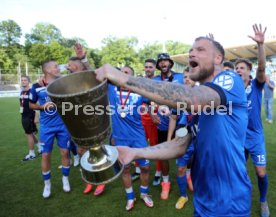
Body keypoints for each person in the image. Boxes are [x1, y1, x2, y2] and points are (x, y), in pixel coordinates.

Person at [95, 36, 252, 216]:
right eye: (191, 50)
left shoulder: (228, 78)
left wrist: (123, 79)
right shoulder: (199, 109)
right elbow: (179, 145)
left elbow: (193, 99)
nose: (192, 52)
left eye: (200, 49)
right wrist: (137, 153)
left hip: (230, 202)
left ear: (218, 58)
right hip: (203, 200)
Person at [235, 24, 270, 217]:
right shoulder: (232, 90)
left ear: (249, 71)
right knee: (239, 171)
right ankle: (241, 198)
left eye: (242, 68)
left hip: (255, 137)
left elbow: (262, 67)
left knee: (261, 173)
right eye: (237, 68)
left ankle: (263, 201)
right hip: (238, 138)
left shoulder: (256, 86)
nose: (238, 70)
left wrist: (261, 46)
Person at [109, 65, 153, 211]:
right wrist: (83, 58)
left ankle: (144, 193)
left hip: (138, 136)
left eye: (126, 73)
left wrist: (152, 113)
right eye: (120, 72)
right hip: (121, 138)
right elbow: (94, 73)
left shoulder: (139, 91)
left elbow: (148, 104)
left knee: (145, 167)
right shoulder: (111, 90)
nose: (122, 74)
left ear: (131, 77)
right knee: (126, 169)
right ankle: (130, 197)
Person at [67, 43, 106, 196]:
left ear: (77, 66)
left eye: (70, 65)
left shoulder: (89, 76)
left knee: (97, 151)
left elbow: (94, 72)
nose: (68, 67)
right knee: (81, 151)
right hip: (77, 120)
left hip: (93, 119)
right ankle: (89, 181)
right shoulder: (69, 80)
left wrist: (84, 59)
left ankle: (101, 182)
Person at [29, 60, 71, 198]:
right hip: (46, 127)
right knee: (46, 155)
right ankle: (47, 185)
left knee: (65, 153)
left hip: (63, 125)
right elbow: (31, 105)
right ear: (47, 70)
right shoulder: (36, 86)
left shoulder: (62, 83)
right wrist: (42, 107)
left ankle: (65, 179)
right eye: (55, 66)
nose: (58, 68)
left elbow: (71, 74)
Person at [150, 53, 183, 199]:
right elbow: (150, 99)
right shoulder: (155, 80)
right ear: (158, 65)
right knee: (164, 154)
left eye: (165, 61)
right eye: (161, 62)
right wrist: (152, 112)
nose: (163, 63)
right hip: (163, 124)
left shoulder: (181, 77)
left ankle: (187, 175)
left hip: (182, 121)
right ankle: (165, 183)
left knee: (187, 152)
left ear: (170, 63)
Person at [134, 58, 161, 186]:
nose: (148, 69)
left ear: (155, 68)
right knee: (139, 144)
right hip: (140, 117)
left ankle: (158, 172)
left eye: (151, 67)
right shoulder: (140, 81)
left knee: (155, 146)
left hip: (154, 117)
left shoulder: (158, 81)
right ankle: (138, 169)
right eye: (146, 67)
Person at [20, 75, 40, 161]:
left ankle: (32, 154)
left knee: (28, 134)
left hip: (30, 115)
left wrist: (36, 117)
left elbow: (36, 105)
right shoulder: (22, 92)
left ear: (28, 82)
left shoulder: (31, 91)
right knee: (30, 133)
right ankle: (40, 147)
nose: (23, 81)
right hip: (24, 115)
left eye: (25, 80)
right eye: (22, 80)